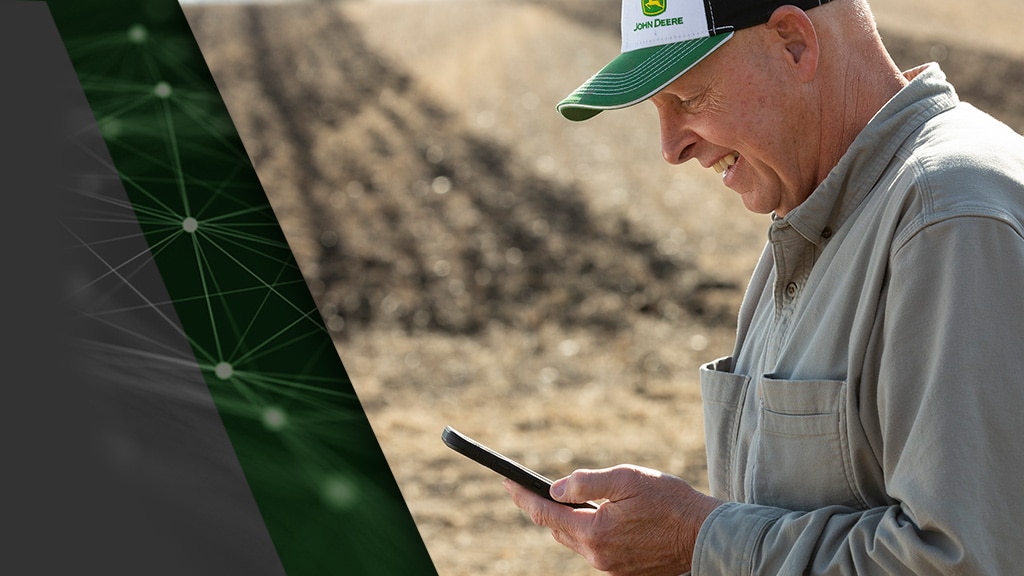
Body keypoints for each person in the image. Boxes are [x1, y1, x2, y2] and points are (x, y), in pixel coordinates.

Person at [503, 0, 1024, 573]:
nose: (671, 148)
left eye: (687, 98)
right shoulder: (815, 215)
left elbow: (965, 561)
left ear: (793, 43)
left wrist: (696, 539)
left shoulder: (948, 217)